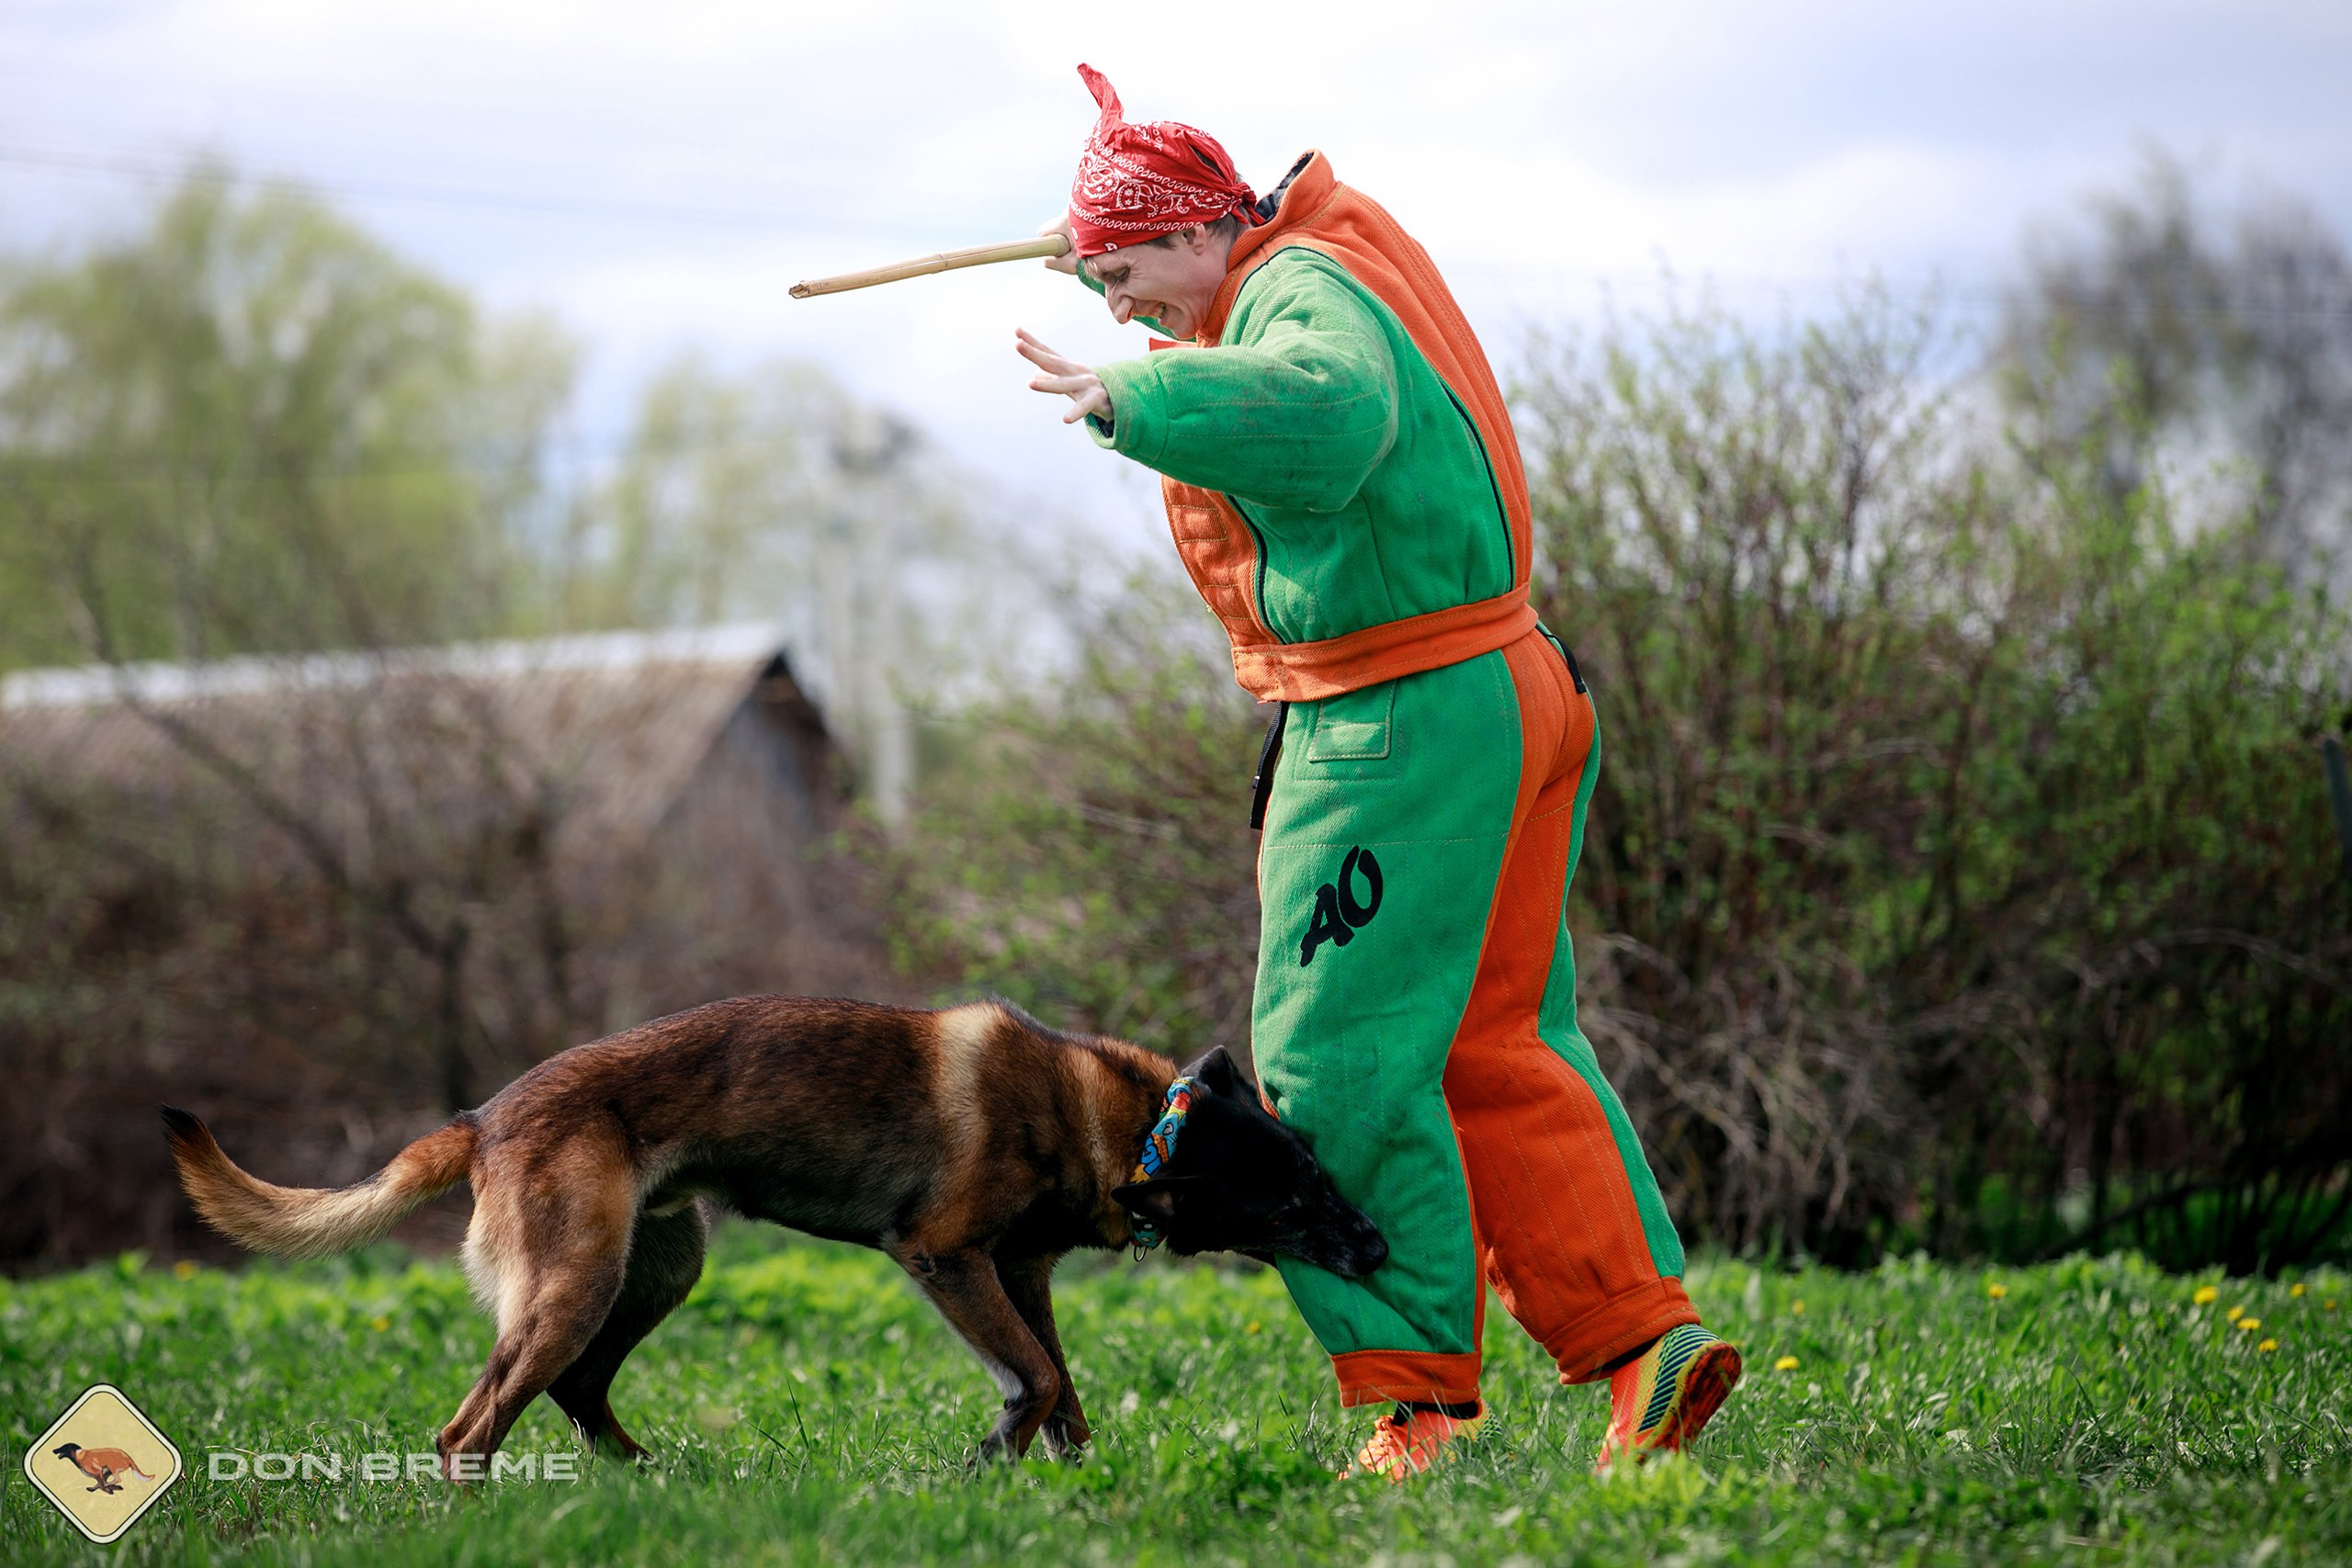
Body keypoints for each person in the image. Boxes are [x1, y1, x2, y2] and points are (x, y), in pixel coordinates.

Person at [1016, 63, 1741, 1482]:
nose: (1116, 304)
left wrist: (1137, 395)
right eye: (1095, 283)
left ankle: (1415, 1410)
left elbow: (1329, 415)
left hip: (1398, 723)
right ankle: (1644, 1350)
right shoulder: (1312, 248)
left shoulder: (1298, 303)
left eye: (1124, 273)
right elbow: (1224, 297)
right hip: (1507, 688)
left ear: (1193, 230)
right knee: (1492, 1041)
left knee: (1332, 1061)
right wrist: (1127, 264)